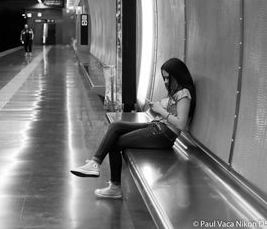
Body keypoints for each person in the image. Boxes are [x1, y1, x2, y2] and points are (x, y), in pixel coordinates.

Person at [70, 58, 196, 199]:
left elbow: (181, 124)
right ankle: (95, 162)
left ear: (177, 75)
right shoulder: (175, 91)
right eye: (164, 78)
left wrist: (161, 110)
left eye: (168, 78)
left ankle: (115, 187)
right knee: (116, 126)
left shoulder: (184, 94)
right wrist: (157, 107)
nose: (166, 82)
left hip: (164, 135)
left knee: (115, 144)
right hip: (156, 127)